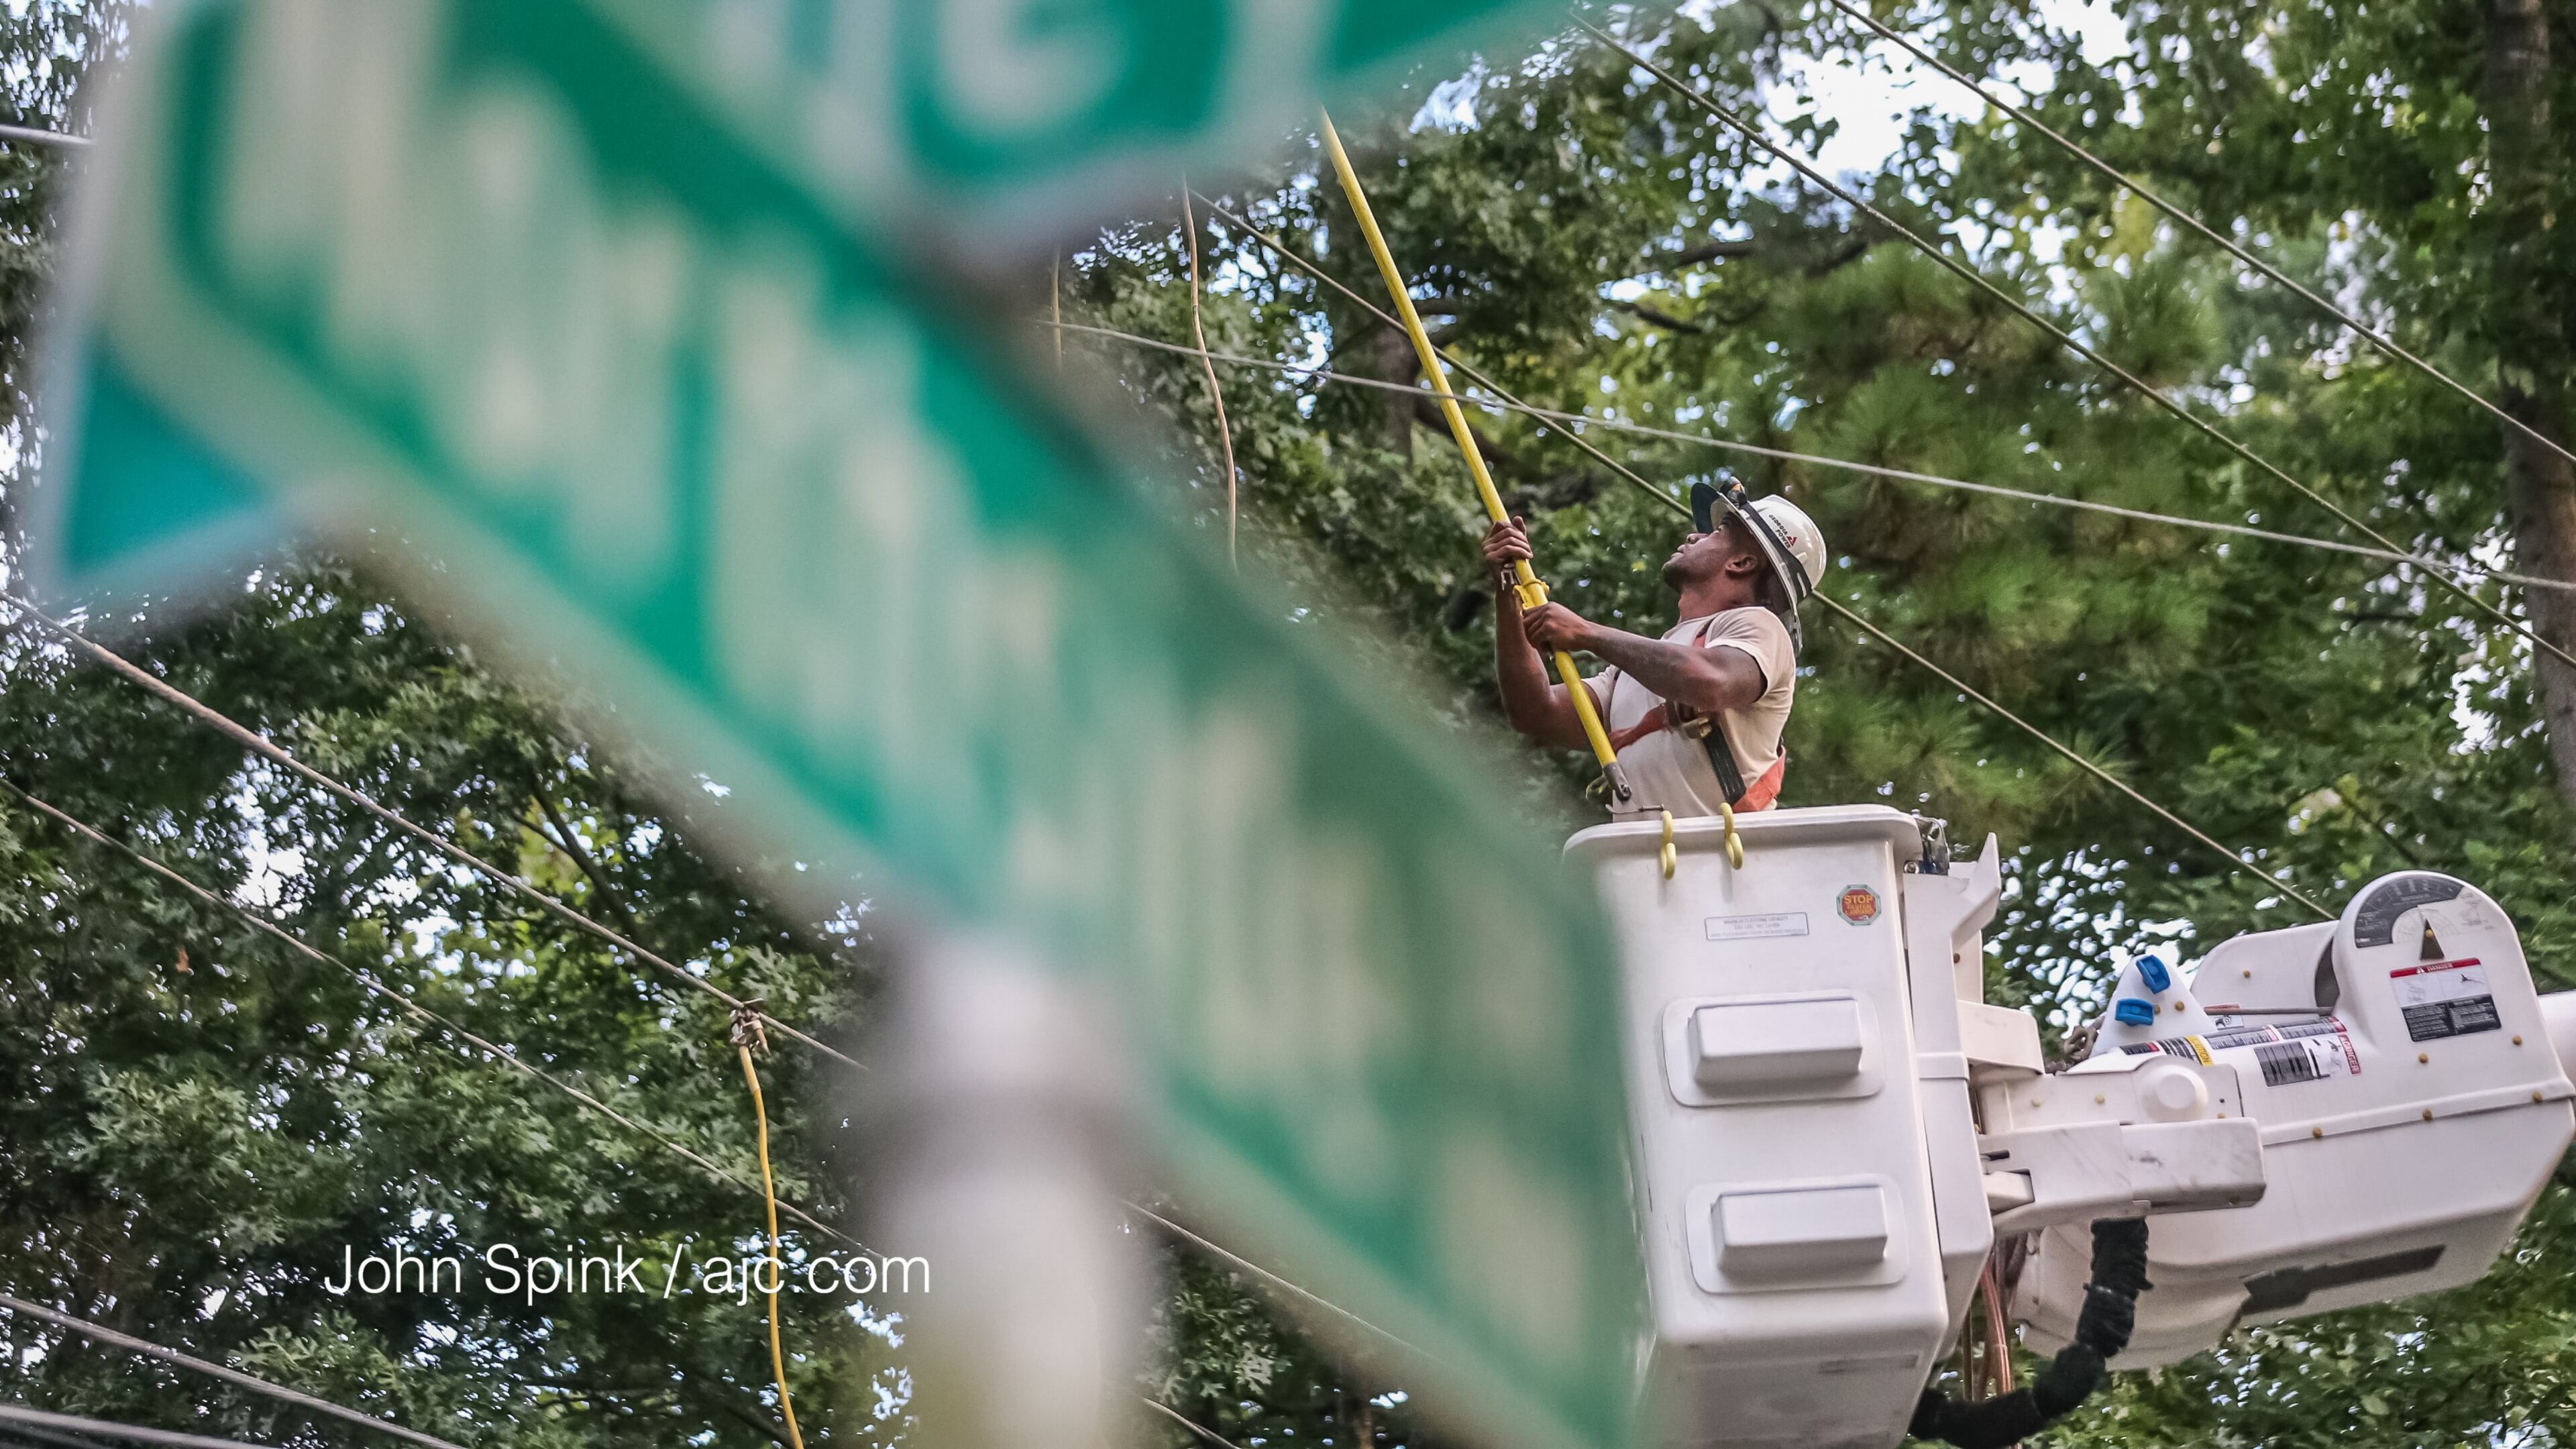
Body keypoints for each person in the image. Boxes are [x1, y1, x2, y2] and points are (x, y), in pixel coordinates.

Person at [1484, 479, 1827, 820]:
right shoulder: (1634, 670)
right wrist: (1508, 591)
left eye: (1718, 533)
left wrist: (1586, 633)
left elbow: (1711, 681)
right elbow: (1535, 712)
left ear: (1742, 563)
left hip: (1723, 867)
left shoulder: (1760, 629)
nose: (1694, 536)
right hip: (1647, 866)